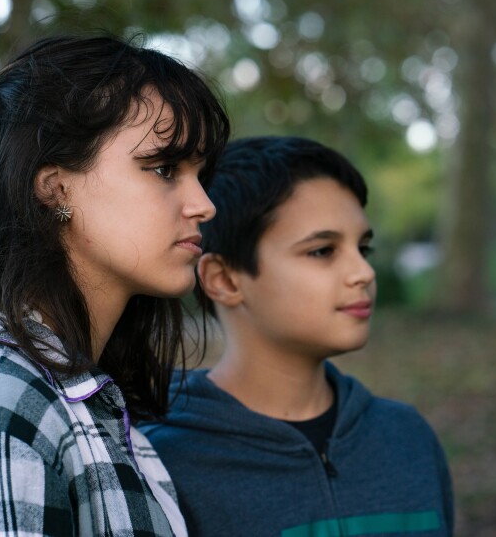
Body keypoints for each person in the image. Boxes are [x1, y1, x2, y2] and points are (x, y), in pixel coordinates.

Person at [0, 33, 229, 536]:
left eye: (200, 173)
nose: (203, 204)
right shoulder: (3, 409)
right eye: (164, 168)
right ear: (55, 188)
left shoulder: (76, 393)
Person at [140, 136, 454, 537]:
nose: (364, 272)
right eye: (323, 250)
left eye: (363, 248)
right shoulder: (163, 465)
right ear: (224, 280)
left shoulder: (408, 439)